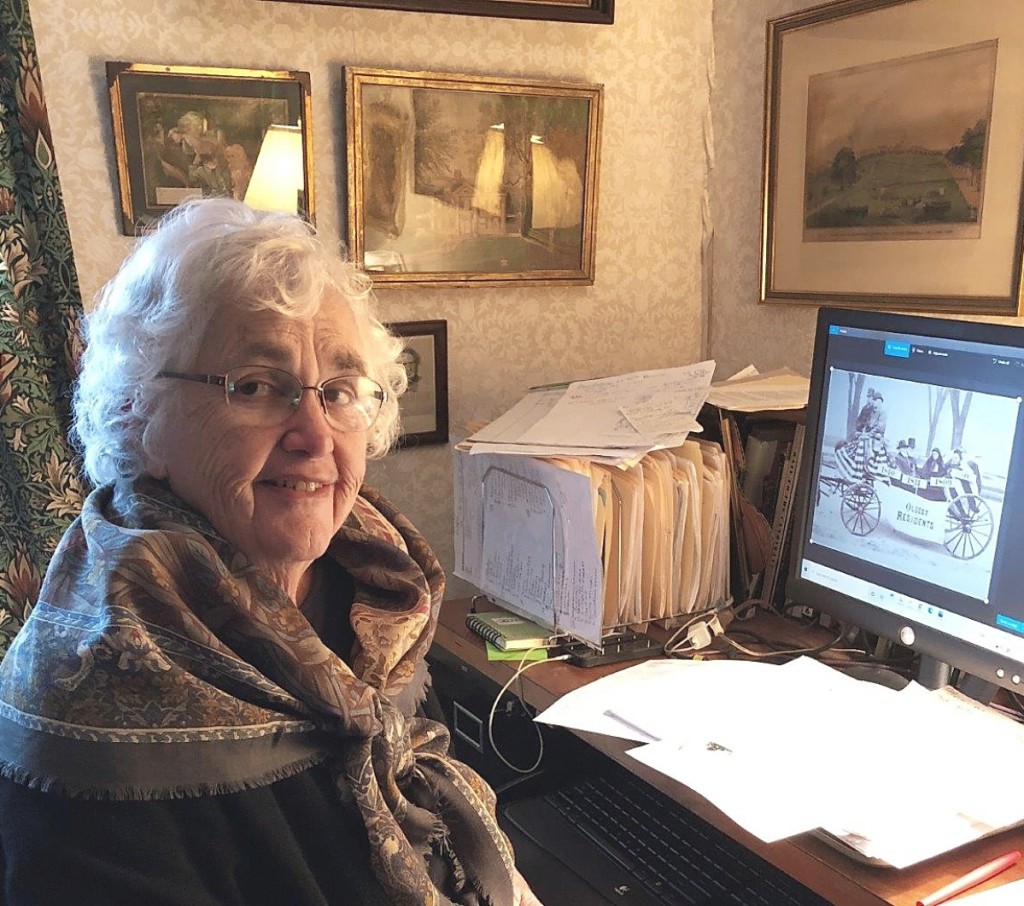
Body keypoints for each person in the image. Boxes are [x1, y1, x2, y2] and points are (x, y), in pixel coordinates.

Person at [0, 197, 542, 906]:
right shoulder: (88, 711)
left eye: (340, 392)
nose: (316, 435)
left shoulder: (379, 594)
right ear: (140, 413)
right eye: (255, 386)